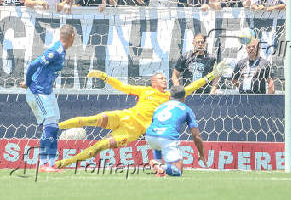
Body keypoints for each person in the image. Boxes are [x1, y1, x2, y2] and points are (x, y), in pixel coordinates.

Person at [54, 62, 227, 169]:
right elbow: (122, 86)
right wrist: (103, 76)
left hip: (132, 132)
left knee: (98, 147)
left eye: (165, 79)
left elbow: (192, 87)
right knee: (89, 120)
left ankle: (64, 163)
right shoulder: (144, 90)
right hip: (123, 116)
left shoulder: (170, 96)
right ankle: (55, 127)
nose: (164, 80)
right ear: (153, 82)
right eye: (161, 79)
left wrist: (213, 75)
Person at [19, 25, 76, 172]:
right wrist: (28, 82)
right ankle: (43, 164)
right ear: (72, 37)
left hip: (47, 92)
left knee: (54, 126)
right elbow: (32, 65)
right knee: (50, 124)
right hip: (38, 92)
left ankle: (52, 163)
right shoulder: (55, 52)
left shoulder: (62, 51)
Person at [146, 85, 205, 177]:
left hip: (150, 135)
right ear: (184, 98)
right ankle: (161, 166)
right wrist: (201, 154)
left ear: (170, 97)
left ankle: (158, 167)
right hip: (167, 137)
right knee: (178, 171)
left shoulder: (159, 107)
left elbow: (155, 126)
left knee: (157, 144)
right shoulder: (186, 109)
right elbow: (196, 136)